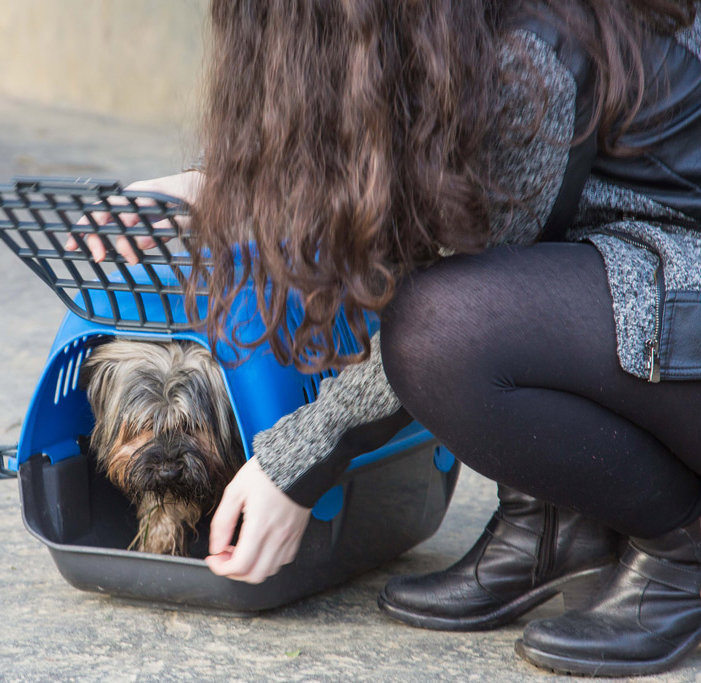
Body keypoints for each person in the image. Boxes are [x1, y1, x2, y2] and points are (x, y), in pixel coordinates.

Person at [68, 0, 701, 676]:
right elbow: (378, 148)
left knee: (443, 328)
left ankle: (682, 546)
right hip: (643, 277)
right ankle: (553, 527)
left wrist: (294, 466)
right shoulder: (448, 31)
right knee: (455, 291)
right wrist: (217, 185)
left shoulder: (525, 61)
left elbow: (469, 257)